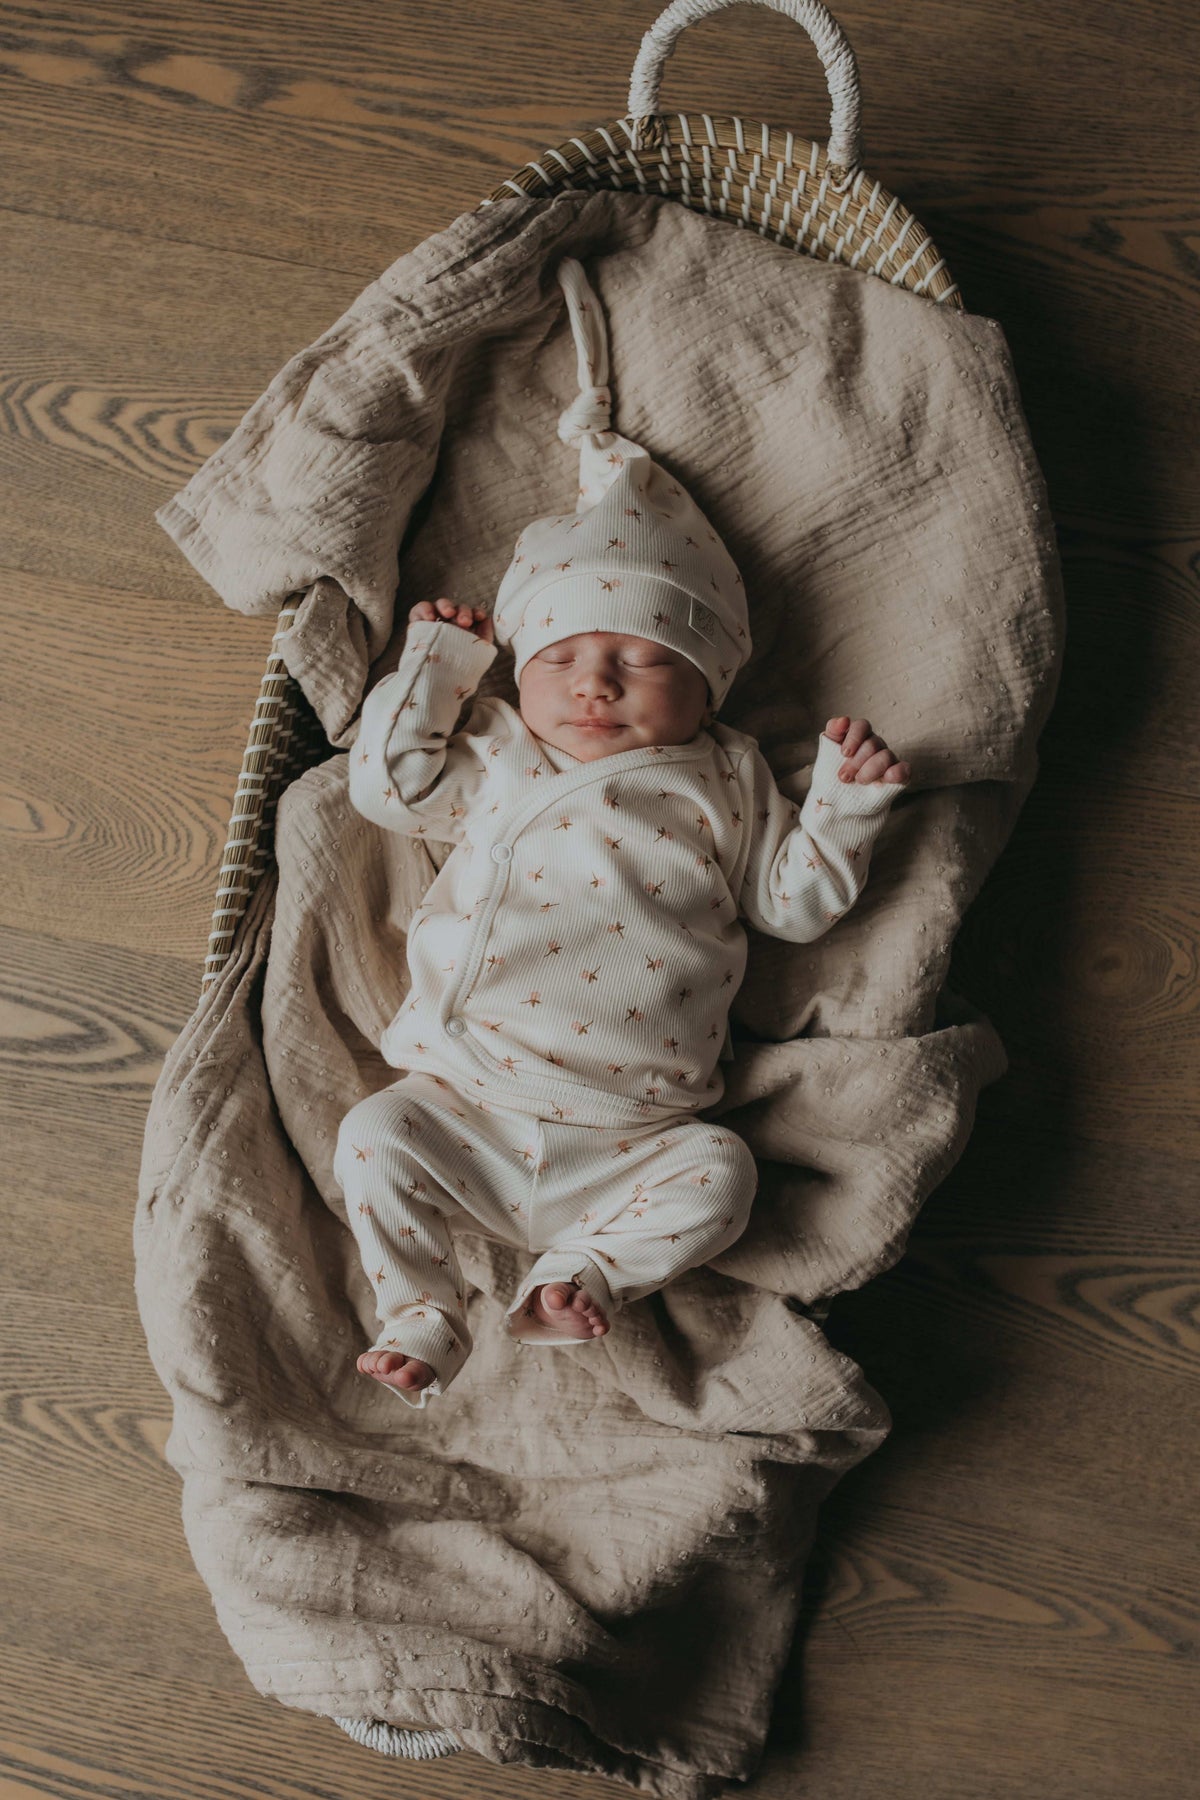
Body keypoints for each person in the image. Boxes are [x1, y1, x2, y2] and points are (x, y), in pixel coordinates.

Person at [332, 257, 911, 1408]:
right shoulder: (500, 753)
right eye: (561, 658)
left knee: (725, 1174)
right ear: (519, 668)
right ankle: (421, 1305)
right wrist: (438, 671)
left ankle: (579, 1275)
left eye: (642, 661)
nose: (595, 683)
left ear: (710, 686)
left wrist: (845, 804)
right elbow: (389, 791)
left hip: (637, 1131)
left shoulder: (730, 776)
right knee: (372, 1137)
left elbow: (792, 904)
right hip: (469, 1099)